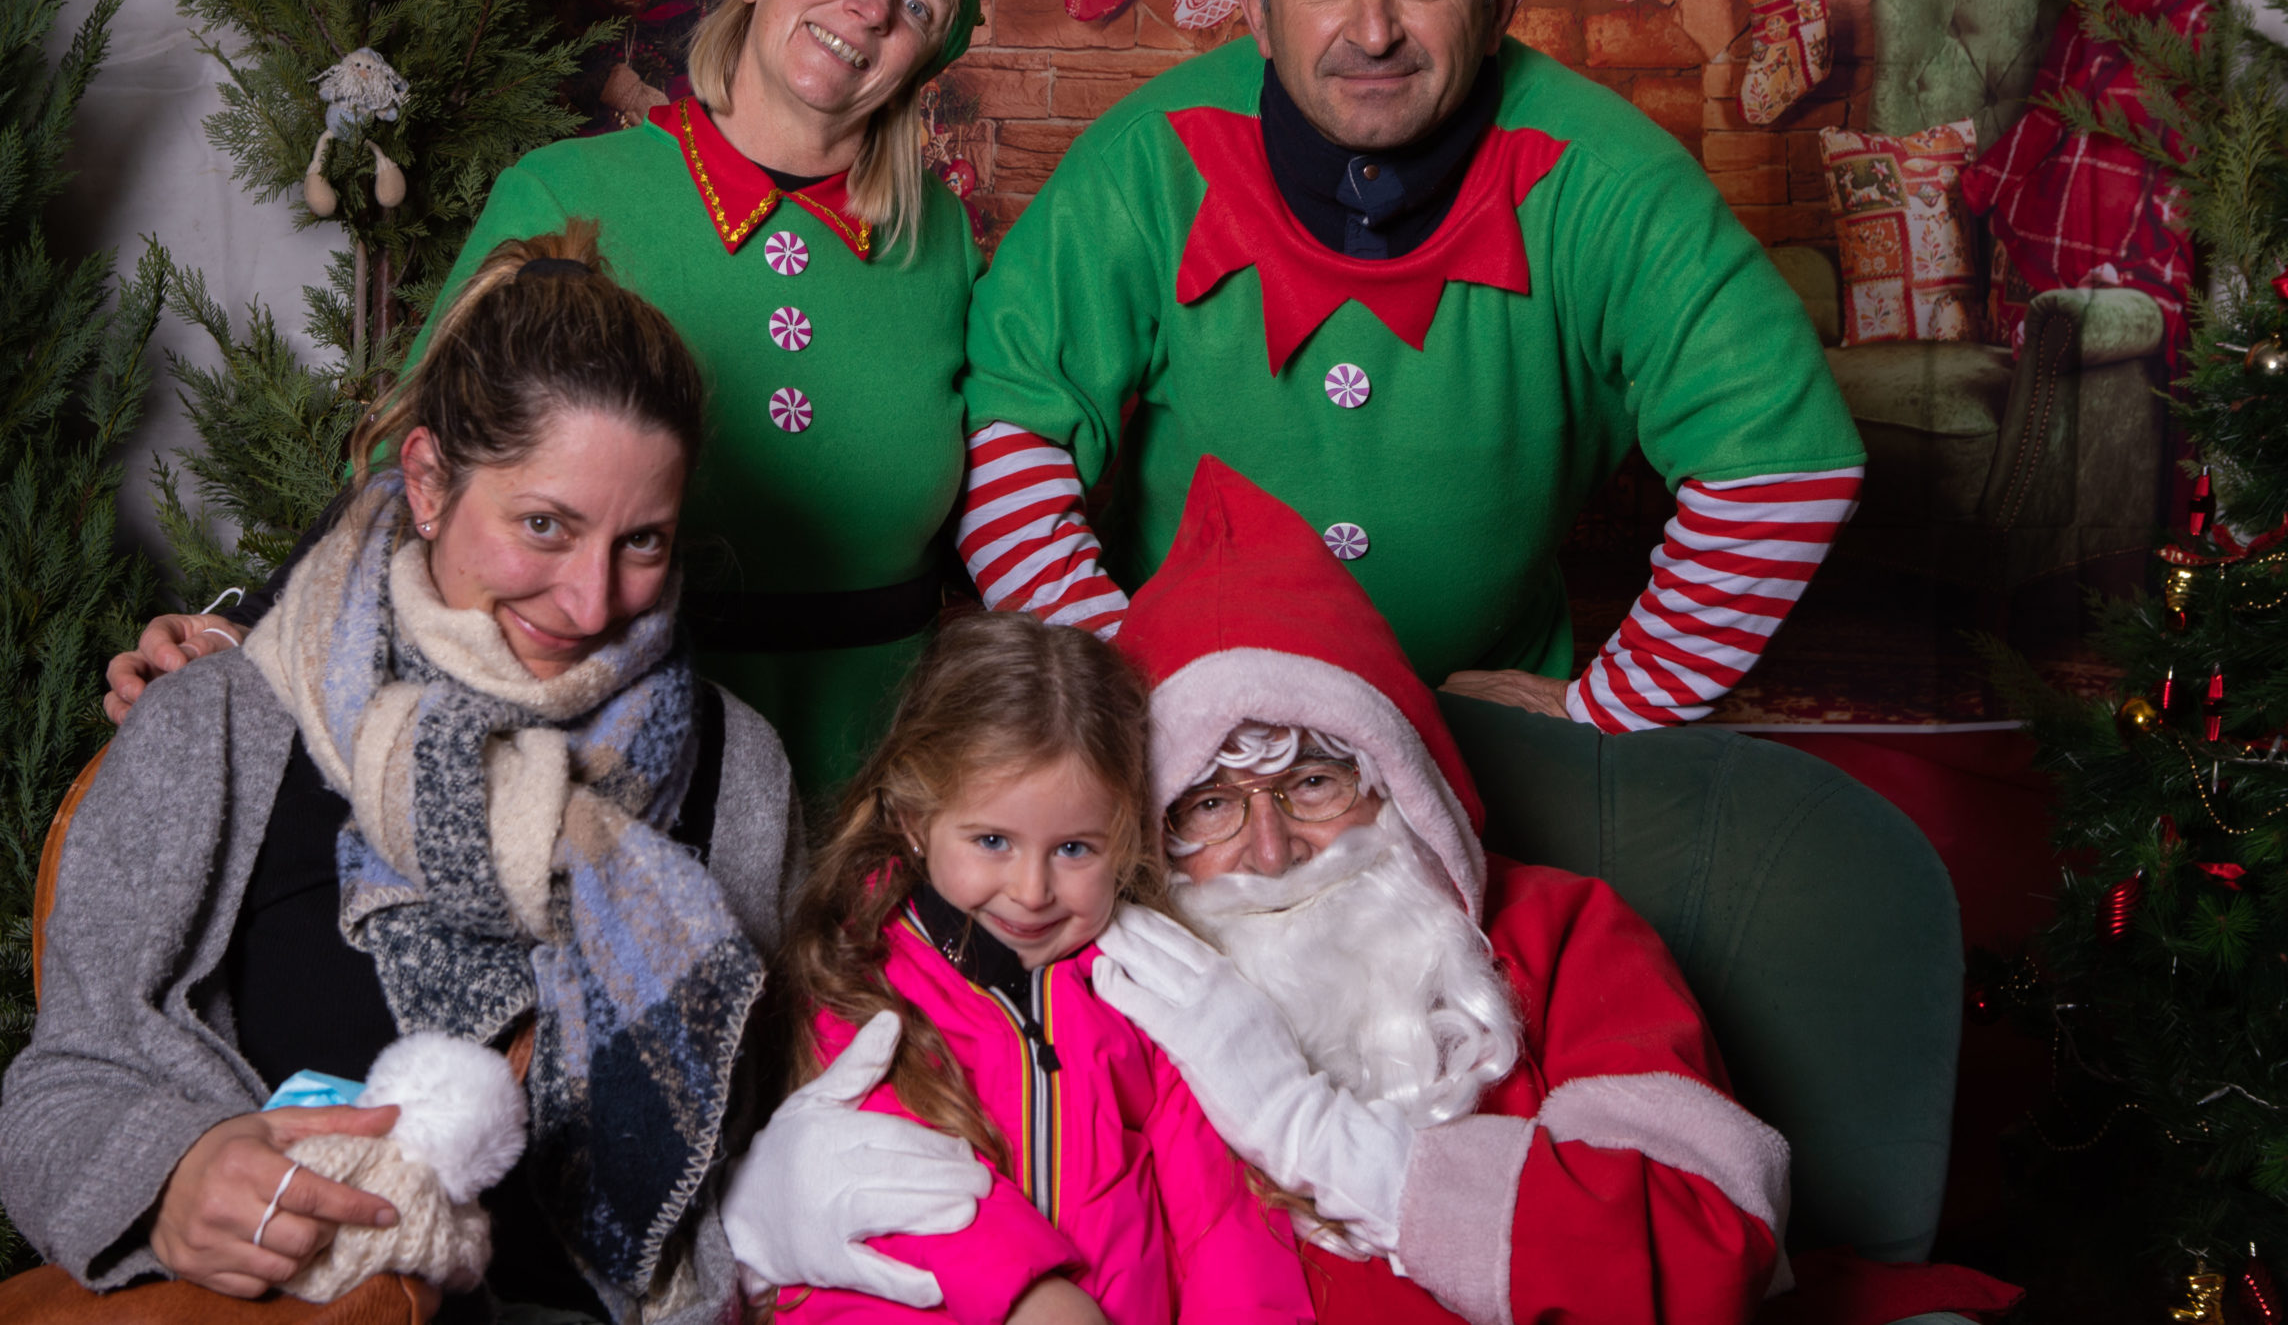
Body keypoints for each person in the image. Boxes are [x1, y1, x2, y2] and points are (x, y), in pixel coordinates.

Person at [729, 458, 1792, 1325]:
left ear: (1400, 783)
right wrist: (758, 1229)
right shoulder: (1094, 992)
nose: (1272, 850)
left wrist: (1314, 1130)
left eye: (1315, 782)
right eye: (1210, 806)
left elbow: (1709, 1250)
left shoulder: (1561, 937)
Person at [0, 221, 800, 1320]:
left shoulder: (735, 766)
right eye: (544, 525)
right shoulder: (222, 724)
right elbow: (59, 1088)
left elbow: (777, 1145)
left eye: (642, 541)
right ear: (427, 481)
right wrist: (170, 1178)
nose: (590, 602)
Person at [956, 0, 1865, 734]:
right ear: (1259, 12)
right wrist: (1134, 698)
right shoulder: (1146, 157)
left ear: (1501, 5)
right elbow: (1010, 427)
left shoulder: (1612, 177)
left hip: (1489, 735)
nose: (1373, 30)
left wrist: (1614, 707)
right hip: (1198, 729)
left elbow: (1783, 467)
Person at [106, 0, 987, 797]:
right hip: (598, 779)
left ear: (923, 62)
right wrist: (252, 631)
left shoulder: (946, 246)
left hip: (881, 795)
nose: (871, 7)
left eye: (917, 5)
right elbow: (413, 467)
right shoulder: (566, 191)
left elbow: (1003, 505)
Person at [760, 608, 1314, 1325]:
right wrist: (1034, 1299)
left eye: (1074, 849)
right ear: (915, 820)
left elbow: (1222, 1219)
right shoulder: (857, 966)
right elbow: (882, 1177)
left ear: (1125, 841)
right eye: (992, 841)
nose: (1031, 891)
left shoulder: (1151, 987)